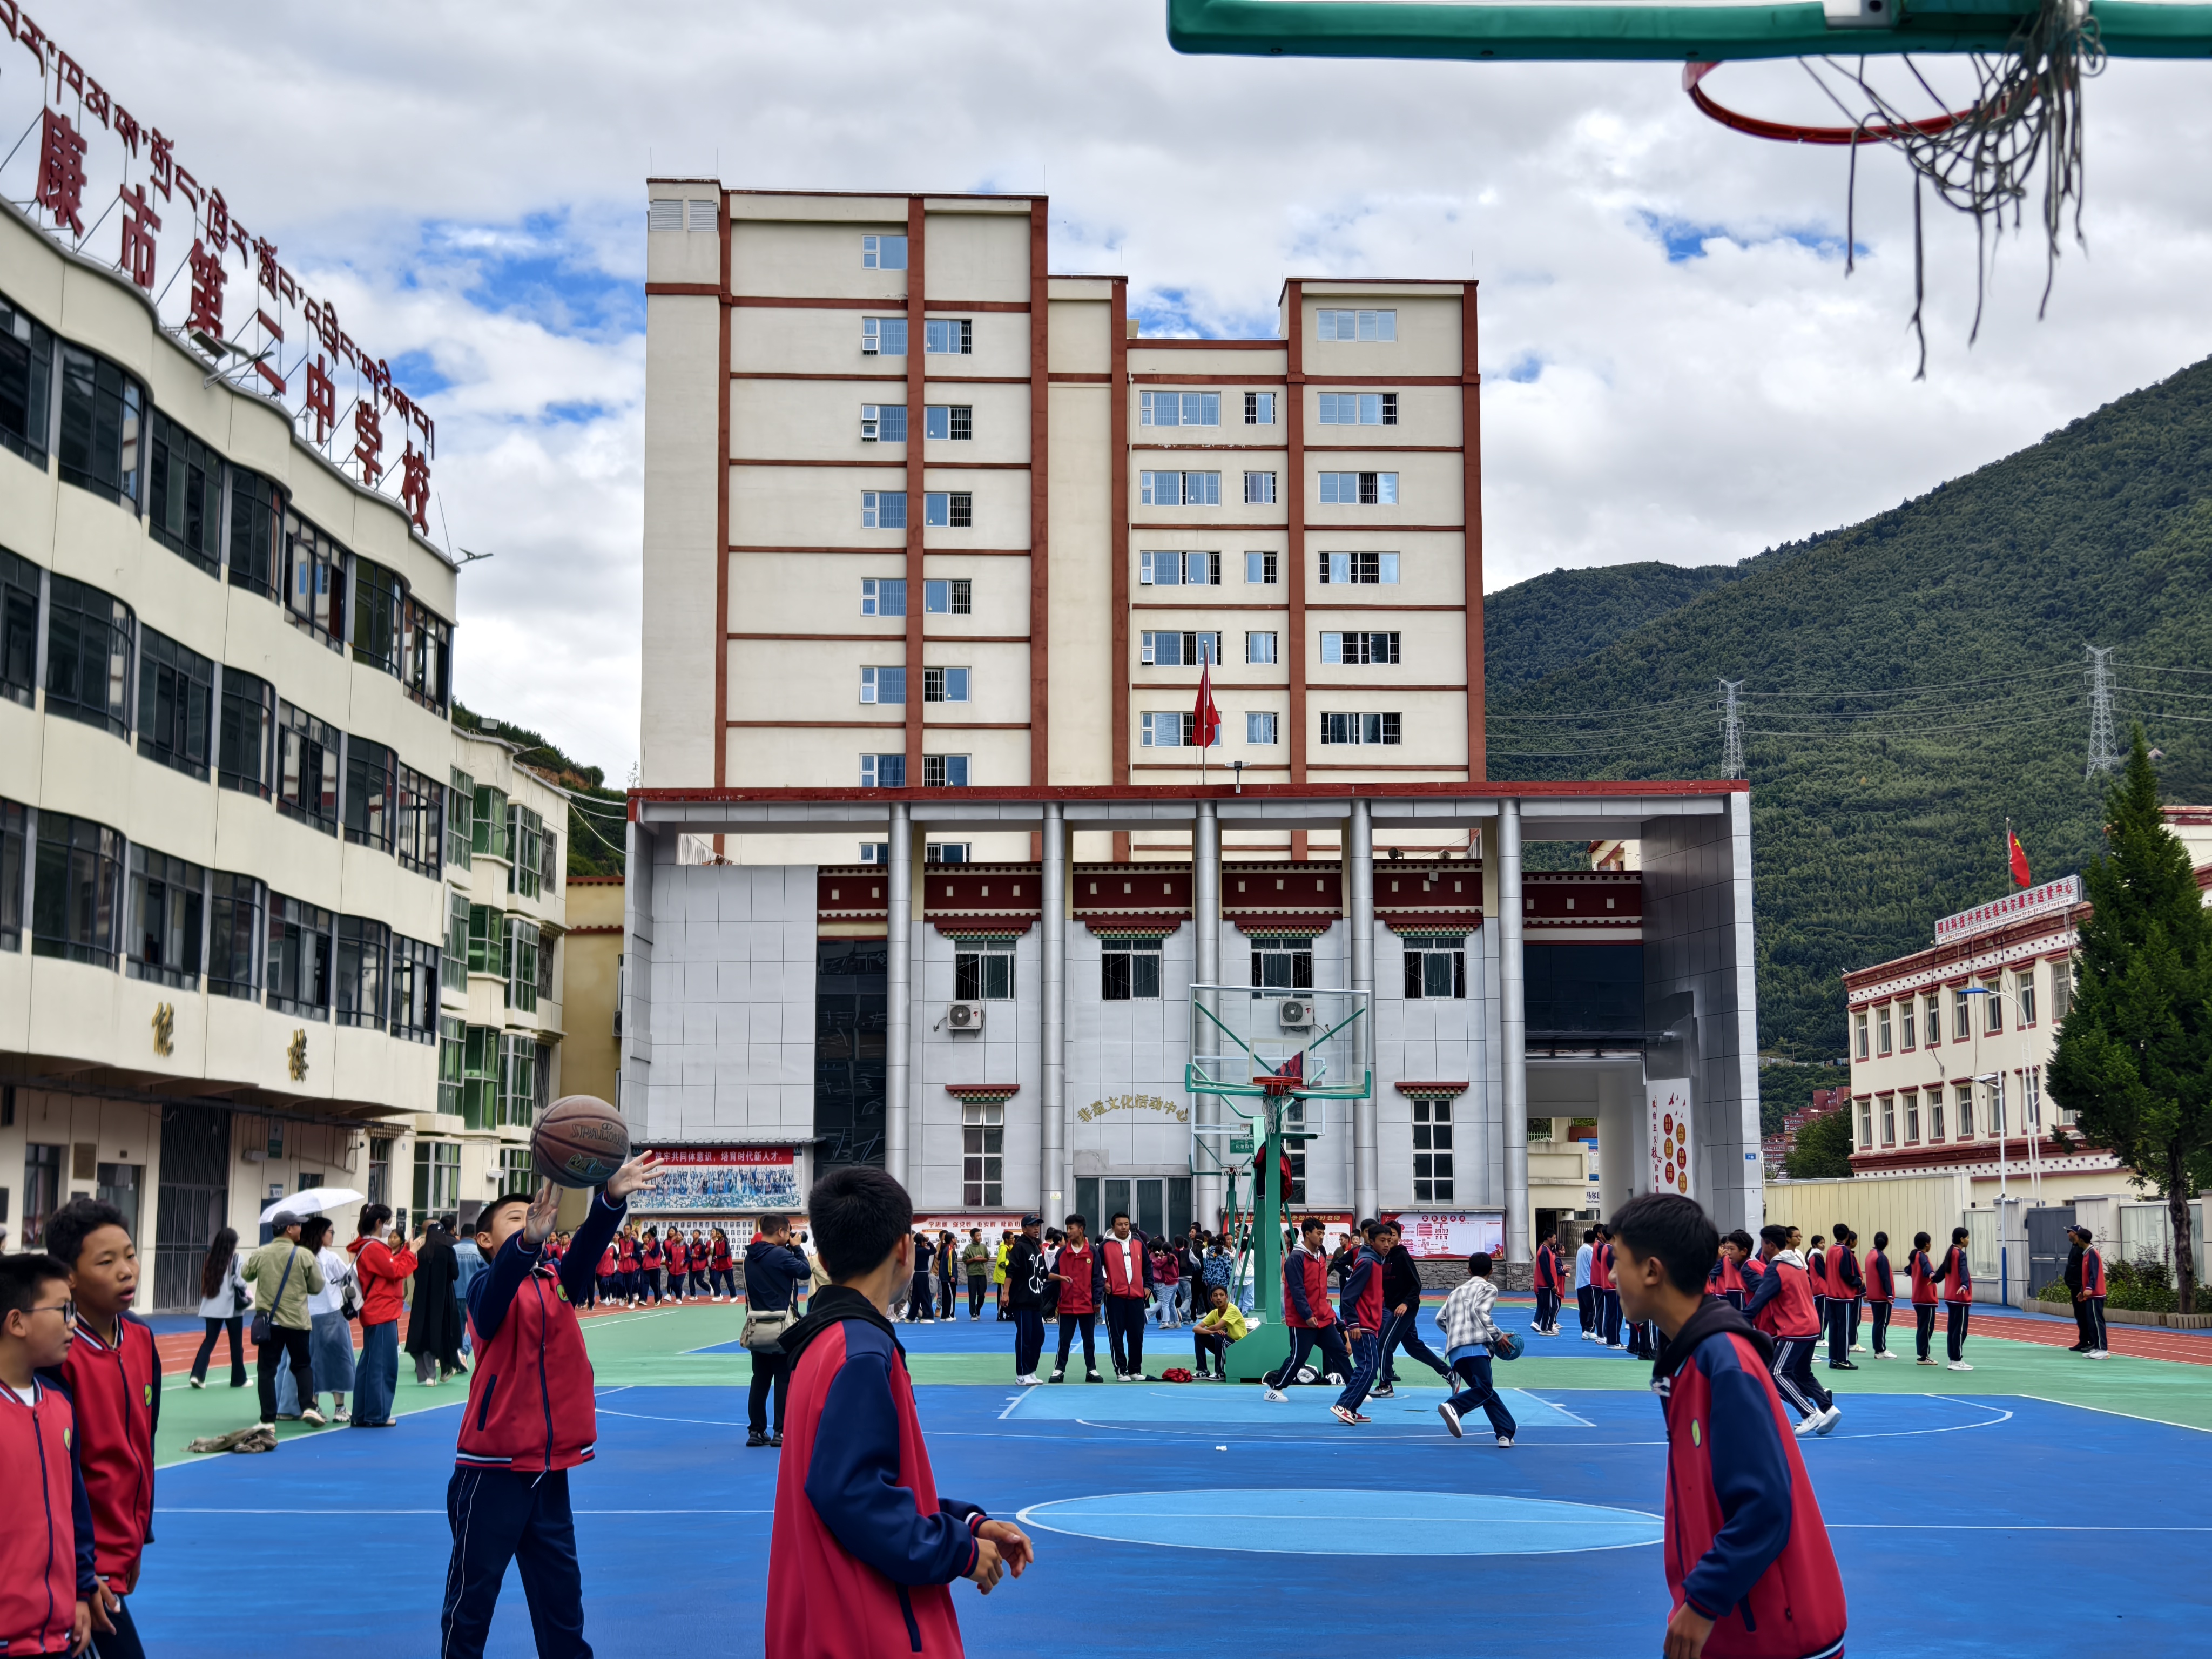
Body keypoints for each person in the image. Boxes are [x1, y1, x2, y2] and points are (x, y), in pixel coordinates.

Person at [764, 1164, 1034, 1654]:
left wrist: (968, 1524)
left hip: (824, 1623)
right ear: (904, 1248)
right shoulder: (862, 1352)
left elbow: (865, 1484)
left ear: (821, 1256)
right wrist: (958, 1548)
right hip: (869, 1631)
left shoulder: (823, 1342)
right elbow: (854, 1495)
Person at [440, 1155, 660, 1659]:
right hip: (491, 1472)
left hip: (548, 1471)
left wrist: (611, 1199)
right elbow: (494, 1299)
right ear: (486, 1240)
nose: (532, 1218)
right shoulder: (484, 1288)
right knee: (472, 1604)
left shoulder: (557, 1281)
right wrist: (526, 1243)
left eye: (535, 1213)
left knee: (562, 1605)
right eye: (516, 1218)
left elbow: (586, 1248)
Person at [1610, 1192, 1848, 1659]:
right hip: (1739, 1628)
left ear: (1653, 1270)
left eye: (1618, 1261)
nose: (1613, 1276)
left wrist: (1703, 1602)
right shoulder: (1686, 1358)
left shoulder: (1723, 1361)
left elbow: (1766, 1505)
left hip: (1778, 1636)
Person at [44, 1198, 159, 1659]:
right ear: (69, 1277)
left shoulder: (141, 1338)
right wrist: (79, 1575)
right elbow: (55, 1478)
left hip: (120, 1555)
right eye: (106, 1262)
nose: (127, 1271)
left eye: (130, 1255)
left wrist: (142, 1535)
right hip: (79, 1569)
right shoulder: (57, 1358)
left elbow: (145, 1444)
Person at [2, 1252, 97, 1658]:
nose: (74, 1323)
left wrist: (81, 1591)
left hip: (57, 1635)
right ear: (17, 1322)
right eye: (64, 1311)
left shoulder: (59, 1404)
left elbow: (75, 1509)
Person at [1745, 1223, 1838, 1437]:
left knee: (1776, 1373)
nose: (1761, 1248)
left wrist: (1734, 1319)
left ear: (1770, 1245)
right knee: (1803, 1373)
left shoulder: (1776, 1268)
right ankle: (1829, 1409)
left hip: (1795, 1329)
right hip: (1812, 1326)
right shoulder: (1798, 1264)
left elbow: (1759, 1301)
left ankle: (1809, 1413)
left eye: (1762, 1243)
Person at [246, 1210, 325, 1431]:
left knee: (267, 1371)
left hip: (270, 1323)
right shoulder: (304, 1255)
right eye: (298, 1225)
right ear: (289, 1229)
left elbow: (246, 1274)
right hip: (298, 1321)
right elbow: (317, 1286)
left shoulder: (261, 1253)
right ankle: (308, 1406)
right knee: (302, 1365)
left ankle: (267, 1419)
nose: (302, 1228)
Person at [1263, 1217, 1354, 1404]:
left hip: (1322, 1317)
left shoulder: (1320, 1255)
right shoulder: (1296, 1258)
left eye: (1323, 1233)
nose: (1322, 1237)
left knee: (1339, 1352)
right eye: (1318, 1233)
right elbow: (1297, 1290)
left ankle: (1355, 1389)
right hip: (1302, 1320)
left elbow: (1321, 1290)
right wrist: (1307, 1314)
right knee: (1299, 1357)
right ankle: (1275, 1388)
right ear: (1307, 1234)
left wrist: (1330, 1314)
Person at [275, 1217, 356, 1422]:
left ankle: (314, 1406)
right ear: (321, 1234)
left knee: (309, 1363)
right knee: (339, 1361)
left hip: (305, 1317)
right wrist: (352, 1261)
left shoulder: (298, 1256)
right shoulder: (330, 1258)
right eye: (331, 1232)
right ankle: (340, 1408)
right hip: (331, 1316)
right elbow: (348, 1279)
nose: (333, 1236)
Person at [1434, 1251, 1517, 1446]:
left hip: (1455, 1352)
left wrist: (1456, 1334)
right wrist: (1498, 1336)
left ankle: (1505, 1432)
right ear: (1492, 1271)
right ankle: (1454, 1406)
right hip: (1476, 1348)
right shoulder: (1489, 1288)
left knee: (1483, 1391)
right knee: (1484, 1389)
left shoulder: (1456, 1292)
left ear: (1469, 1270)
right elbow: (1481, 1312)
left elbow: (1440, 1319)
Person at [744, 1213, 810, 1447]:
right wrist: (797, 1249)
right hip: (782, 1327)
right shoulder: (781, 1255)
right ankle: (780, 1432)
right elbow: (804, 1272)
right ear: (782, 1232)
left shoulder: (750, 1257)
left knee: (760, 1379)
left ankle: (756, 1431)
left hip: (757, 1325)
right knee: (783, 1378)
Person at [347, 1205, 417, 1428]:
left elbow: (391, 1267)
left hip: (375, 1310)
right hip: (382, 1311)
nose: (390, 1228)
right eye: (387, 1222)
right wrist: (411, 1252)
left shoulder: (367, 1247)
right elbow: (396, 1270)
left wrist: (405, 1253)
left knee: (369, 1364)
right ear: (379, 1223)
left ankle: (362, 1413)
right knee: (383, 1365)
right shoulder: (374, 1248)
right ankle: (376, 1414)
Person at [1373, 1220, 1451, 1394]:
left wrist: (1406, 1303)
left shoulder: (1402, 1257)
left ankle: (1386, 1385)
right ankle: (1449, 1373)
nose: (1389, 1240)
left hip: (1404, 1309)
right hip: (1394, 1307)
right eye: (1385, 1237)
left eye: (1393, 1235)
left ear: (1399, 1237)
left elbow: (1416, 1285)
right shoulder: (1385, 1258)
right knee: (1413, 1347)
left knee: (1384, 1343)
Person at [188, 1226, 249, 1390]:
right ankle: (238, 1379)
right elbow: (240, 1282)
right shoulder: (237, 1258)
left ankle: (197, 1375)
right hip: (232, 1308)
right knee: (236, 1344)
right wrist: (248, 1291)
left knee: (209, 1341)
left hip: (212, 1307)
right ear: (233, 1243)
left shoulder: (211, 1259)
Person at [408, 1217, 464, 1384]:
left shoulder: (421, 1253)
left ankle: (429, 1375)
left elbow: (416, 1275)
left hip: (423, 1299)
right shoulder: (448, 1251)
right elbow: (455, 1274)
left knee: (424, 1332)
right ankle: (446, 1368)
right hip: (444, 1298)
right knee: (444, 1332)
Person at [1048, 1212, 1103, 1382]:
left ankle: (1091, 1370)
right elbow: (1053, 1275)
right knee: (1064, 1340)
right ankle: (1059, 1370)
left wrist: (1097, 1300)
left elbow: (1098, 1279)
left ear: (1081, 1229)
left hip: (1087, 1305)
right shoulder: (1063, 1252)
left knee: (1089, 1340)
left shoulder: (1093, 1252)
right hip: (1066, 1305)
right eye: (1067, 1228)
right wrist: (1052, 1303)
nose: (1068, 1232)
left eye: (1071, 1228)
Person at [1099, 1211, 1153, 1380]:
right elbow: (1096, 1269)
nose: (1124, 1228)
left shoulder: (1138, 1243)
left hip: (1137, 1297)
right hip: (1115, 1298)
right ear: (1113, 1226)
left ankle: (1135, 1370)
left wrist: (1148, 1286)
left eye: (1126, 1224)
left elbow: (1148, 1265)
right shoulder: (1104, 1246)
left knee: (1137, 1335)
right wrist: (1103, 1283)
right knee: (1116, 1336)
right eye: (1120, 1224)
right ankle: (1121, 1370)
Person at [1006, 1216, 1050, 1385]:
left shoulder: (1035, 1247)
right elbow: (1011, 1271)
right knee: (1025, 1336)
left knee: (1039, 1336)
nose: (1036, 1228)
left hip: (1035, 1299)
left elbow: (1044, 1273)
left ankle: (1031, 1371)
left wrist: (1062, 1278)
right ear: (1024, 1229)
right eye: (1032, 1226)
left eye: (1038, 1226)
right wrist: (1005, 1293)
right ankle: (1021, 1374)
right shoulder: (1020, 1247)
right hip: (1022, 1299)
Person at [1932, 1224, 1974, 1372]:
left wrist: (1935, 1279)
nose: (1968, 1240)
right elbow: (1963, 1271)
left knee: (1953, 1329)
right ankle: (1957, 1360)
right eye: (1967, 1238)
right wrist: (1964, 1285)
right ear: (1962, 1239)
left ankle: (1953, 1359)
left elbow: (1942, 1270)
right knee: (1961, 1330)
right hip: (1960, 1298)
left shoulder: (1951, 1252)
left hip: (1951, 1297)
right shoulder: (1960, 1254)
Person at [2067, 1225, 2110, 1359]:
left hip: (2096, 1294)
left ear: (2081, 1240)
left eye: (2077, 1237)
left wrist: (2090, 1288)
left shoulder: (2092, 1253)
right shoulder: (2086, 1253)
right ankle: (2096, 1347)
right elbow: (2085, 1276)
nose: (2076, 1240)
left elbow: (2094, 1274)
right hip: (2090, 1295)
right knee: (2091, 1322)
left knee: (2097, 1322)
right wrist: (2082, 1291)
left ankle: (2103, 1350)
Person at [1825, 1225, 1862, 1372]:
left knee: (1834, 1328)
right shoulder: (1845, 1252)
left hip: (1831, 1295)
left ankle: (1834, 1359)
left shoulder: (1830, 1250)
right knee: (1844, 1329)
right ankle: (1843, 1359)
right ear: (1847, 1236)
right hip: (1843, 1296)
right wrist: (1859, 1281)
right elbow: (1846, 1274)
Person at [1191, 1283, 1247, 1379]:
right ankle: (1202, 1371)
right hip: (1226, 1349)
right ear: (1211, 1299)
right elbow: (1195, 1329)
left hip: (1239, 1350)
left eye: (1222, 1295)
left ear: (1227, 1297)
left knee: (1219, 1335)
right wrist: (1210, 1332)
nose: (1219, 1298)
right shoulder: (1215, 1313)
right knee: (1199, 1335)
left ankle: (1219, 1373)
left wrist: (1212, 1331)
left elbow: (1217, 1326)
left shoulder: (1232, 1309)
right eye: (1215, 1295)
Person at [454, 1220, 489, 1348]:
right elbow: (488, 1272)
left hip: (454, 1295)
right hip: (473, 1296)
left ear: (461, 1235)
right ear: (475, 1236)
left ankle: (459, 1352)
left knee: (457, 1329)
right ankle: (465, 1349)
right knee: (475, 1328)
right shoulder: (479, 1252)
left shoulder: (453, 1250)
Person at [1591, 1223, 1622, 1347]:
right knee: (1615, 1316)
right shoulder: (1609, 1249)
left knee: (1611, 1315)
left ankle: (1611, 1340)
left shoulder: (1605, 1248)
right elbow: (1614, 1269)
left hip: (1608, 1287)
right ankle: (1614, 1341)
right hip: (1613, 1287)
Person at [1533, 1231, 1564, 1335]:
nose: (1556, 1240)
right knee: (1549, 1307)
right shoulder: (1544, 1251)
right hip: (1545, 1285)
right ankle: (1545, 1328)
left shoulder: (1547, 1250)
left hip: (1548, 1285)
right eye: (1554, 1238)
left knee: (1553, 1306)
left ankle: (1548, 1327)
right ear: (1548, 1238)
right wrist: (1552, 1285)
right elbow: (1546, 1270)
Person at [908, 1229, 937, 1323]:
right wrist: (929, 1241)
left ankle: (911, 1317)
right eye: (924, 1242)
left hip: (916, 1275)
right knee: (925, 1296)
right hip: (923, 1275)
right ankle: (928, 1316)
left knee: (916, 1297)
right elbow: (934, 1251)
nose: (925, 1243)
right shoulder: (923, 1251)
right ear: (921, 1242)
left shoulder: (915, 1249)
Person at [962, 1228, 992, 1319]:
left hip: (982, 1273)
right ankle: (973, 1314)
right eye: (977, 1236)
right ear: (972, 1237)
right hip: (972, 1274)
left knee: (982, 1294)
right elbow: (965, 1261)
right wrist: (974, 1259)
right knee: (972, 1294)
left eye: (980, 1235)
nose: (979, 1237)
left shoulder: (983, 1247)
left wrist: (982, 1259)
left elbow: (987, 1259)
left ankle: (978, 1309)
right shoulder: (968, 1248)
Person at [1575, 1228, 1597, 1339]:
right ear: (1595, 1240)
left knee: (1583, 1309)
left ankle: (1584, 1329)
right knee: (1592, 1308)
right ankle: (1589, 1329)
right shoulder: (1590, 1251)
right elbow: (1594, 1266)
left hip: (1580, 1283)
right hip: (1588, 1282)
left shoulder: (1580, 1250)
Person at [937, 1229, 959, 1320]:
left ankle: (944, 1315)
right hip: (948, 1277)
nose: (956, 1239)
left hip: (944, 1277)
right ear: (952, 1239)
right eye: (955, 1238)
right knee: (950, 1296)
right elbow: (950, 1264)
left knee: (946, 1296)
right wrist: (952, 1276)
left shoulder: (945, 1249)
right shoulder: (950, 1249)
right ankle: (949, 1315)